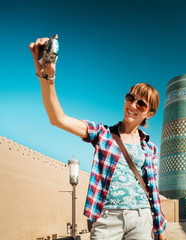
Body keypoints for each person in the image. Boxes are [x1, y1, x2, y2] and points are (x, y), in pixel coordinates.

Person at [29, 37, 168, 240]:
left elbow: (153, 189)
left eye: (141, 104)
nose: (132, 105)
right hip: (107, 218)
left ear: (150, 113)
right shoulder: (102, 133)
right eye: (130, 98)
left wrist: (160, 228)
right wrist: (46, 77)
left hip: (142, 217)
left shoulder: (150, 148)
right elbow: (57, 119)